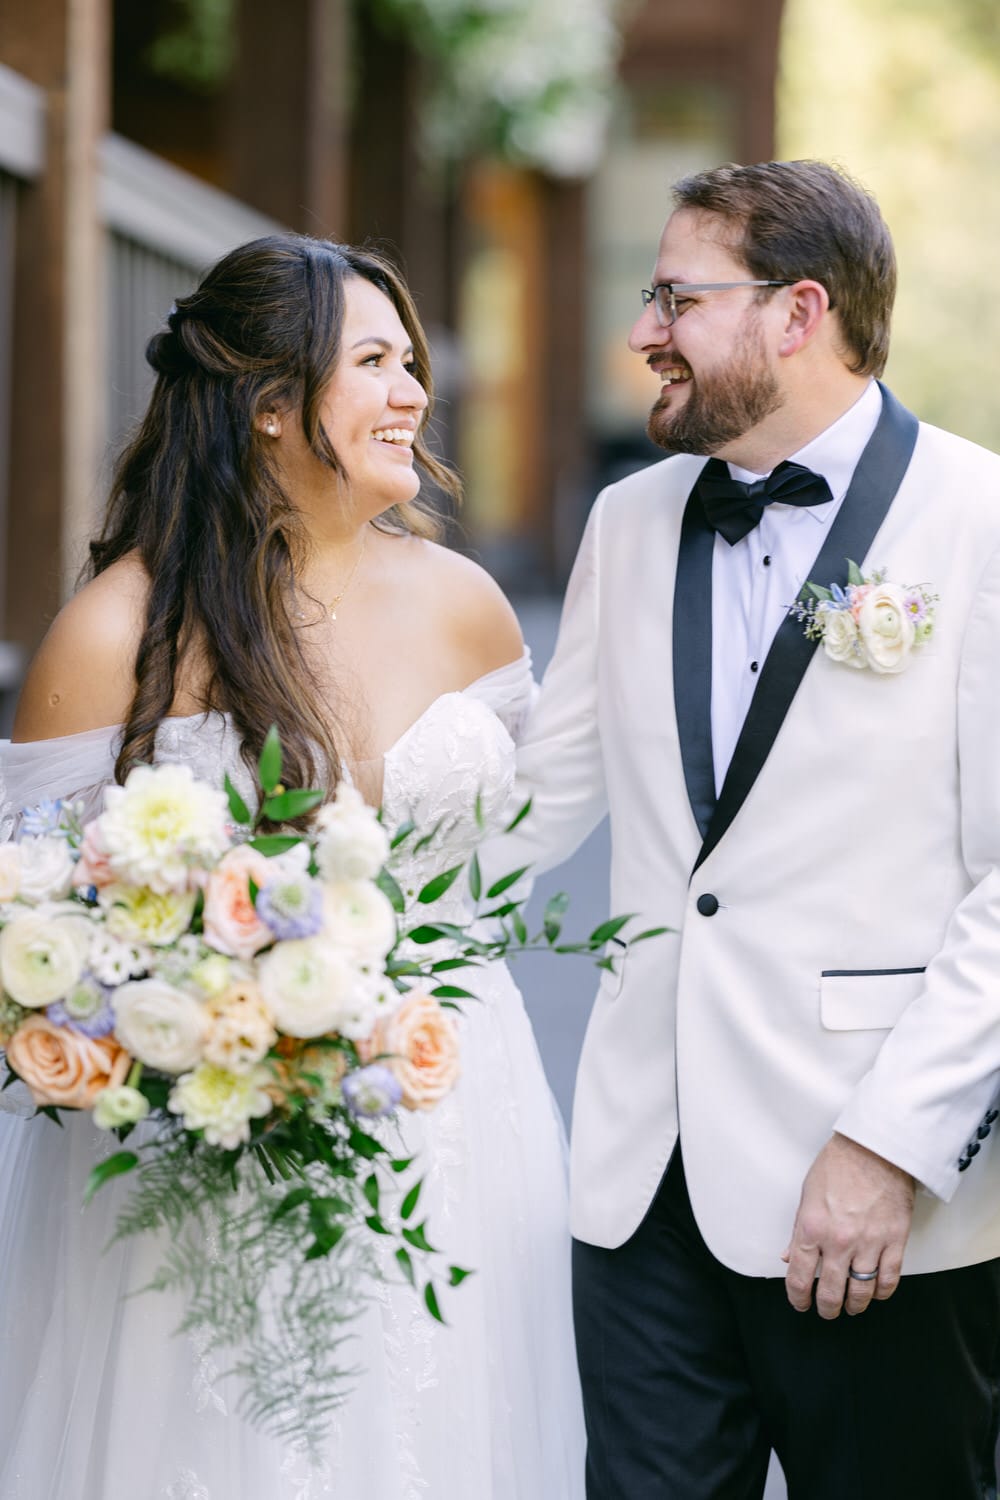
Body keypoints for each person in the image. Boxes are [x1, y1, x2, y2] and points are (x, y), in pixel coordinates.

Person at [0, 234, 586, 1498]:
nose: (414, 391)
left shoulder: (469, 606)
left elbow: (515, 846)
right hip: (206, 1168)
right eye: (373, 361)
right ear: (270, 407)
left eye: (410, 361)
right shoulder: (115, 636)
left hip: (455, 1118)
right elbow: (29, 934)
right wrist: (205, 1028)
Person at [489, 160, 1000, 1498]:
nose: (644, 331)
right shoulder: (630, 518)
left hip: (876, 1191)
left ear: (799, 313)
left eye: (677, 296)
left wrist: (891, 1145)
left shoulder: (983, 521)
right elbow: (538, 801)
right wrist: (285, 896)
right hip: (639, 1180)